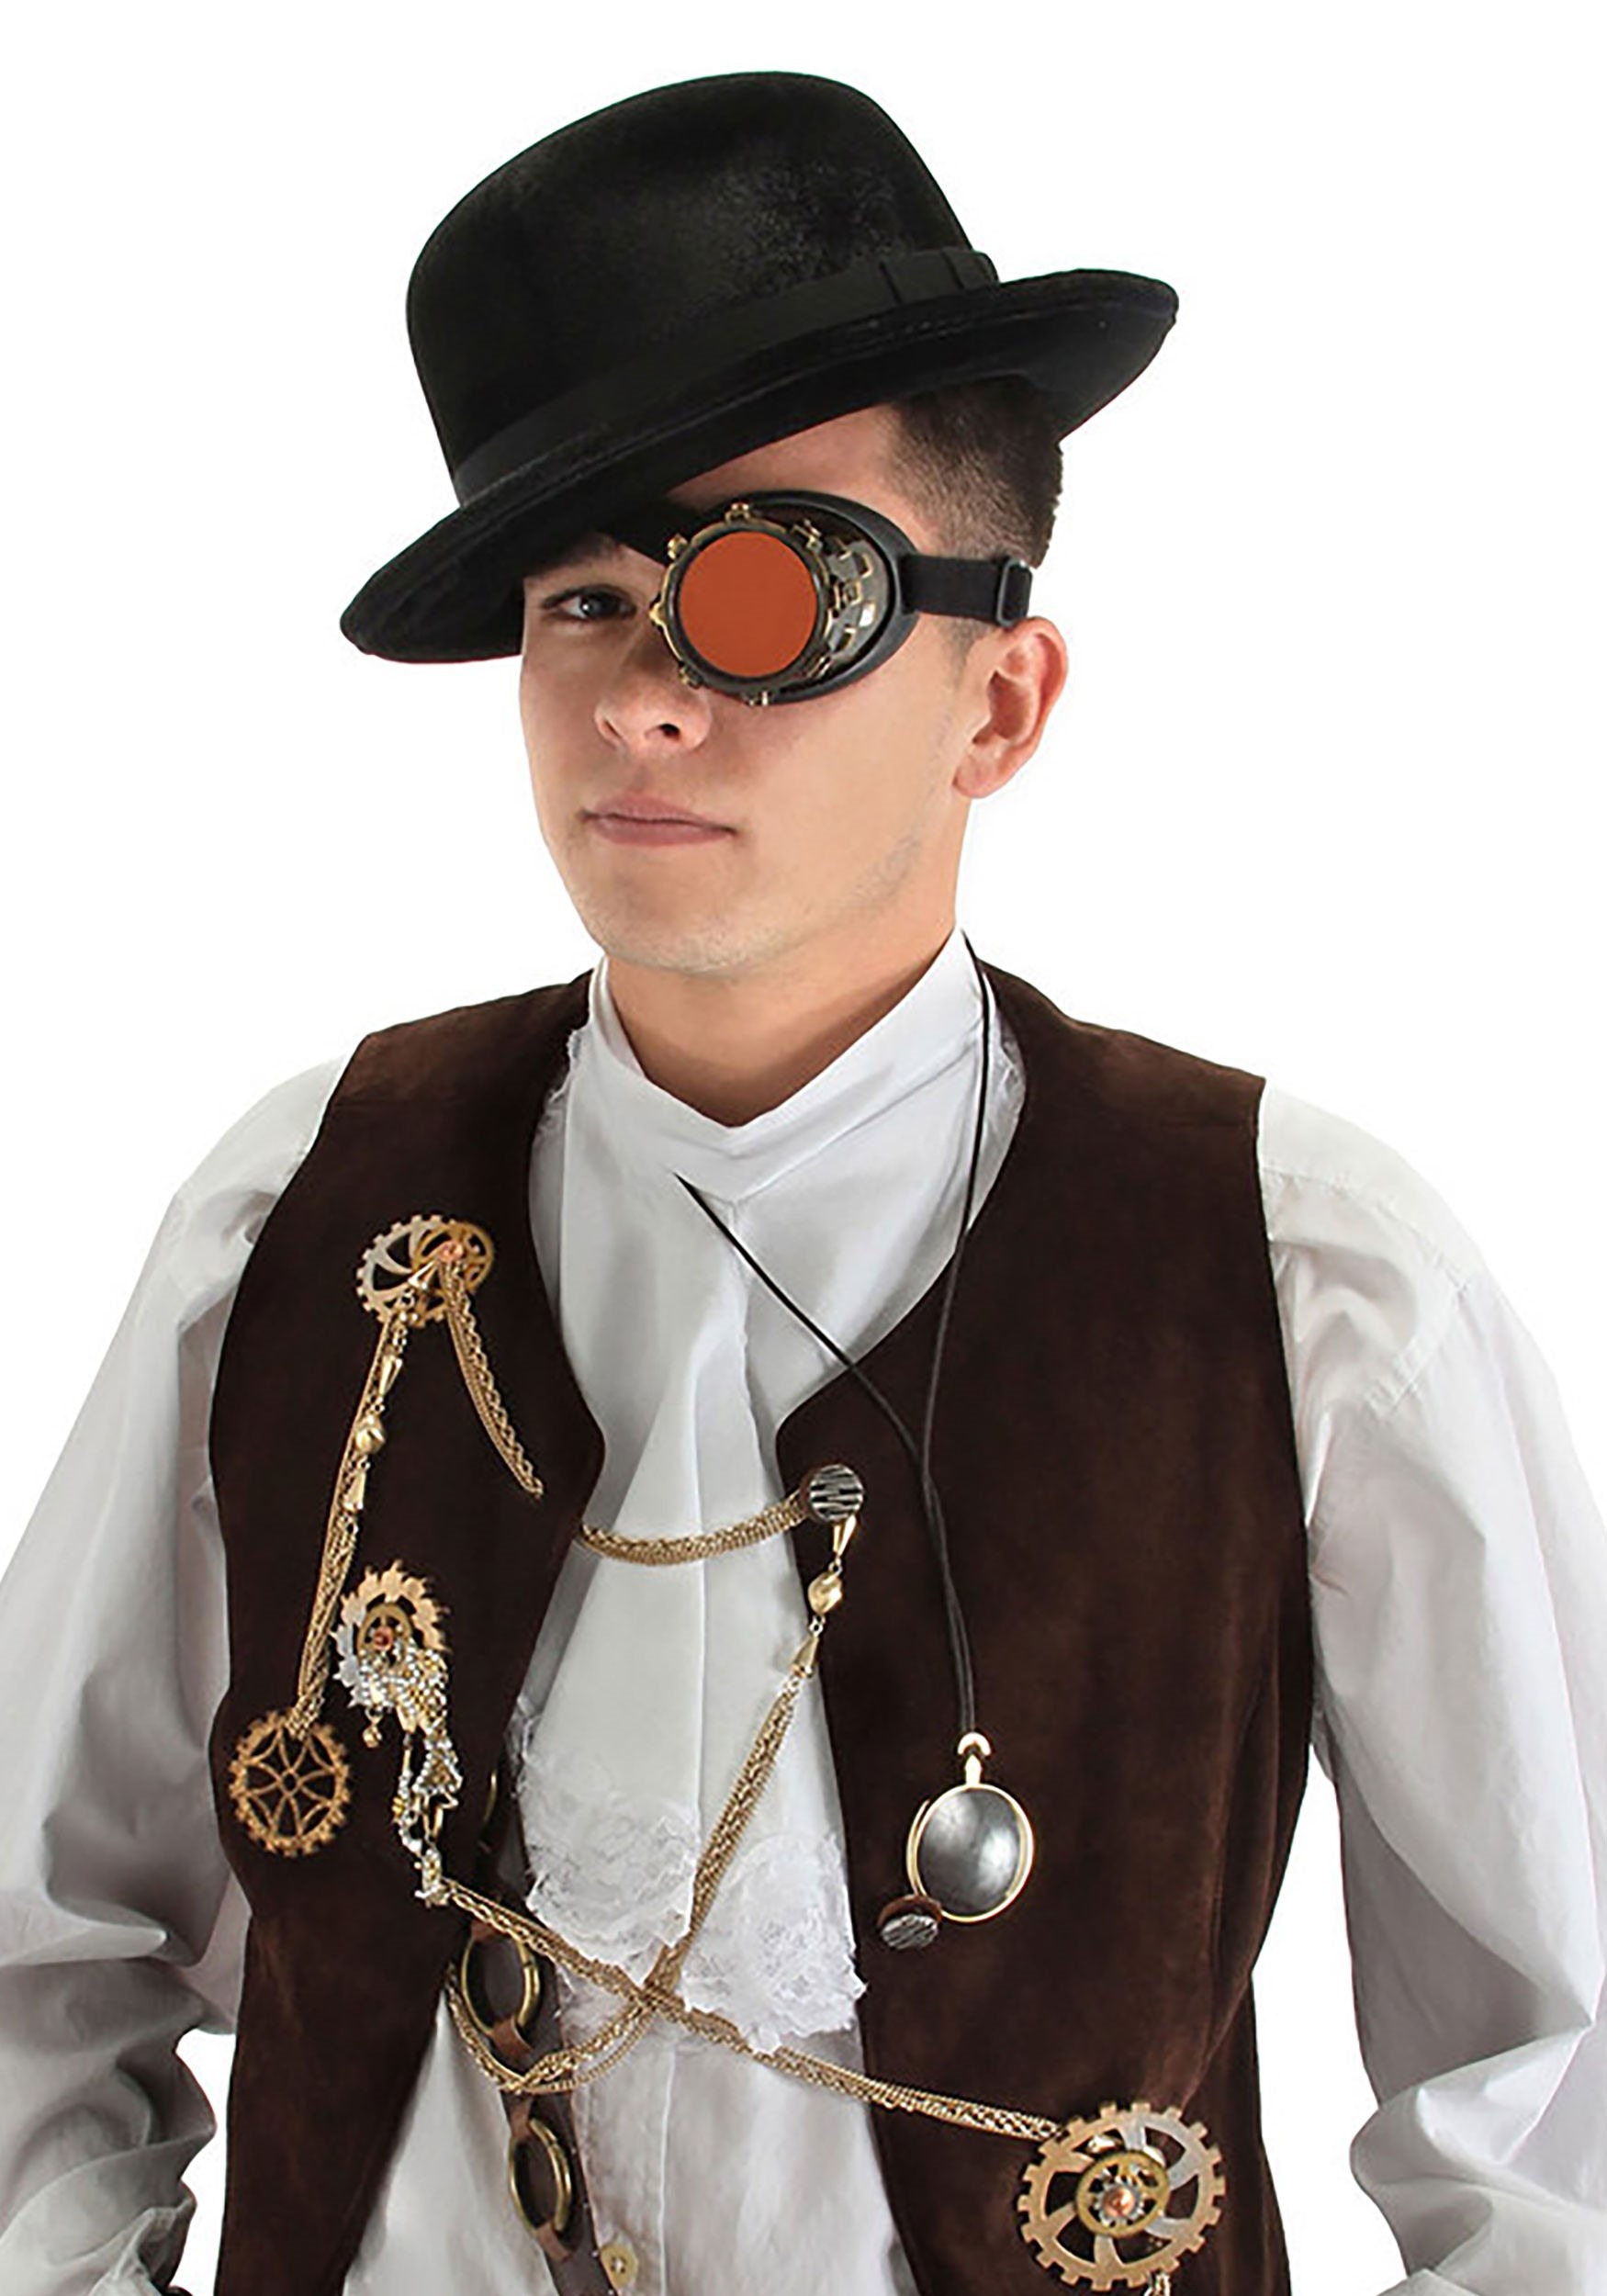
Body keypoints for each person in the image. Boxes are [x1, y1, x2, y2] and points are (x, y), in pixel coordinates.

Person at [1, 65, 1602, 2296]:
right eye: (580, 598)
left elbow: (1551, 2107)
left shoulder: (1299, 1274)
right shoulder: (294, 1213)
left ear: (997, 703)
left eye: (772, 592)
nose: (644, 697)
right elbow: (37, 1946)